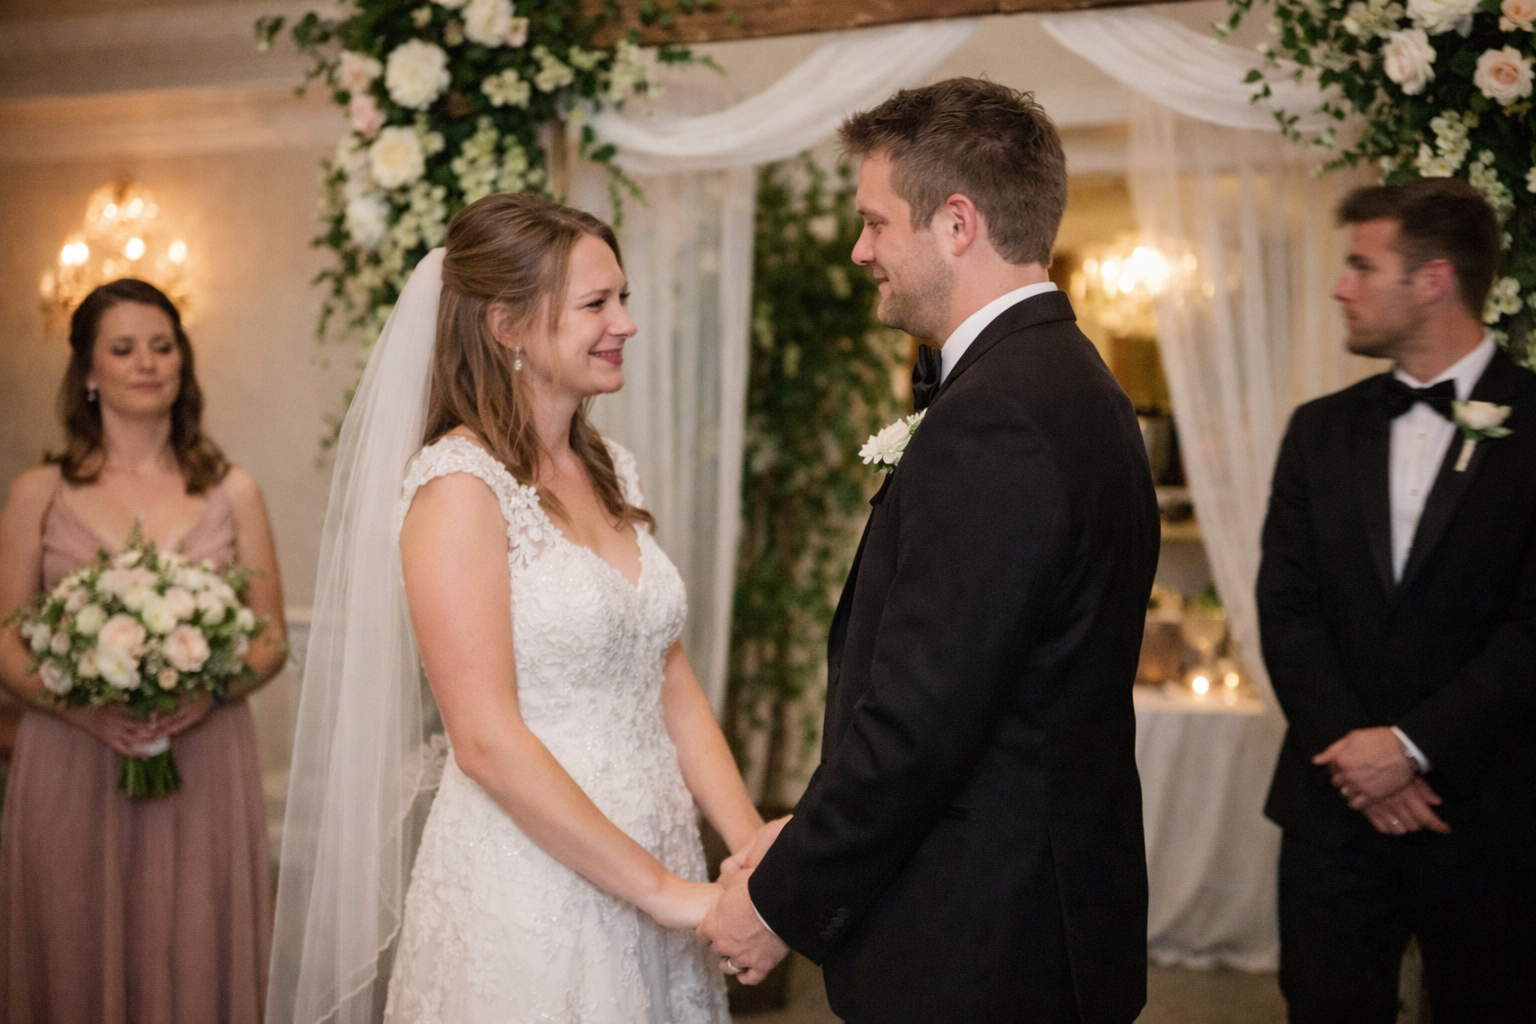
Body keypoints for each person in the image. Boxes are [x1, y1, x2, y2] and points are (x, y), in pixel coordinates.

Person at [697, 77, 1160, 1023]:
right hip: (1036, 912)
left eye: (875, 222)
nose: (861, 249)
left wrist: (778, 902)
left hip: (984, 941)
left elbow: (921, 722)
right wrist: (804, 833)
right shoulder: (1069, 382)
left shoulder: (999, 416)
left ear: (957, 223)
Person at [268, 193, 763, 1024]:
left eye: (624, 299)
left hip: (658, 851)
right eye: (597, 305)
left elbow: (666, 675)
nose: (625, 324)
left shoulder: (613, 469)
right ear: (508, 328)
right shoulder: (458, 489)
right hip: (535, 882)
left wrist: (750, 852)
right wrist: (671, 896)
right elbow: (486, 743)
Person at [1256, 178, 1536, 1023]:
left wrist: (1414, 747)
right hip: (1332, 812)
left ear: (1434, 280)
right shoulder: (1318, 429)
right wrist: (1358, 757)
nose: (1341, 287)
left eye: (1361, 266)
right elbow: (1287, 606)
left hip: (1487, 810)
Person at [0, 278, 288, 1023]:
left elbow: (270, 639)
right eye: (123, 349)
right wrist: (83, 712)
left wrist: (210, 694)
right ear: (88, 372)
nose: (147, 363)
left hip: (201, 755)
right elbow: (4, 634)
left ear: (183, 364)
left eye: (163, 346)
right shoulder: (40, 491)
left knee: (192, 944)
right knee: (72, 944)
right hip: (73, 755)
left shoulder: (233, 491)